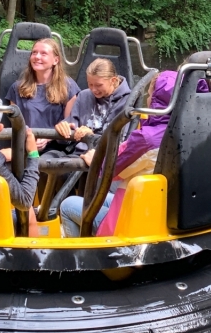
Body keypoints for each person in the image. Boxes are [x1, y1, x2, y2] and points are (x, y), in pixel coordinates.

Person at [58, 70, 181, 238]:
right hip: (155, 205)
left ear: (158, 101)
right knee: (103, 197)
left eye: (151, 95)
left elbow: (113, 171)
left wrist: (96, 159)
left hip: (132, 216)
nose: (148, 99)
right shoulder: (182, 131)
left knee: (67, 205)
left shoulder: (146, 138)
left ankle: (83, 258)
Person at [4, 38, 79, 149]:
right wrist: (29, 138)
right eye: (34, 52)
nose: (37, 56)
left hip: (56, 148)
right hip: (24, 146)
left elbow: (69, 124)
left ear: (55, 60)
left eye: (43, 53)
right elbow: (16, 123)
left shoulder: (68, 87)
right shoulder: (17, 88)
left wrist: (48, 137)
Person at [53, 58, 130, 155]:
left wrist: (91, 136)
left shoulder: (128, 102)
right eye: (90, 84)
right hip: (76, 154)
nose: (93, 89)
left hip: (103, 158)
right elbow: (68, 135)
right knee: (46, 158)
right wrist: (63, 128)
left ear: (113, 80)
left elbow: (121, 142)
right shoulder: (83, 96)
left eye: (98, 85)